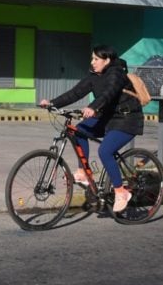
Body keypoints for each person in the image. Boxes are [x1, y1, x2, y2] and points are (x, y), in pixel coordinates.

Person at [39, 44, 144, 212]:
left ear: (107, 60)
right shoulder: (94, 75)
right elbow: (76, 92)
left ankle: (120, 192)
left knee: (105, 151)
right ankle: (83, 172)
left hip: (127, 119)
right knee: (78, 131)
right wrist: (52, 103)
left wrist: (93, 107)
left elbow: (109, 93)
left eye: (96, 59)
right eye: (92, 58)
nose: (92, 62)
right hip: (107, 118)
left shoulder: (116, 74)